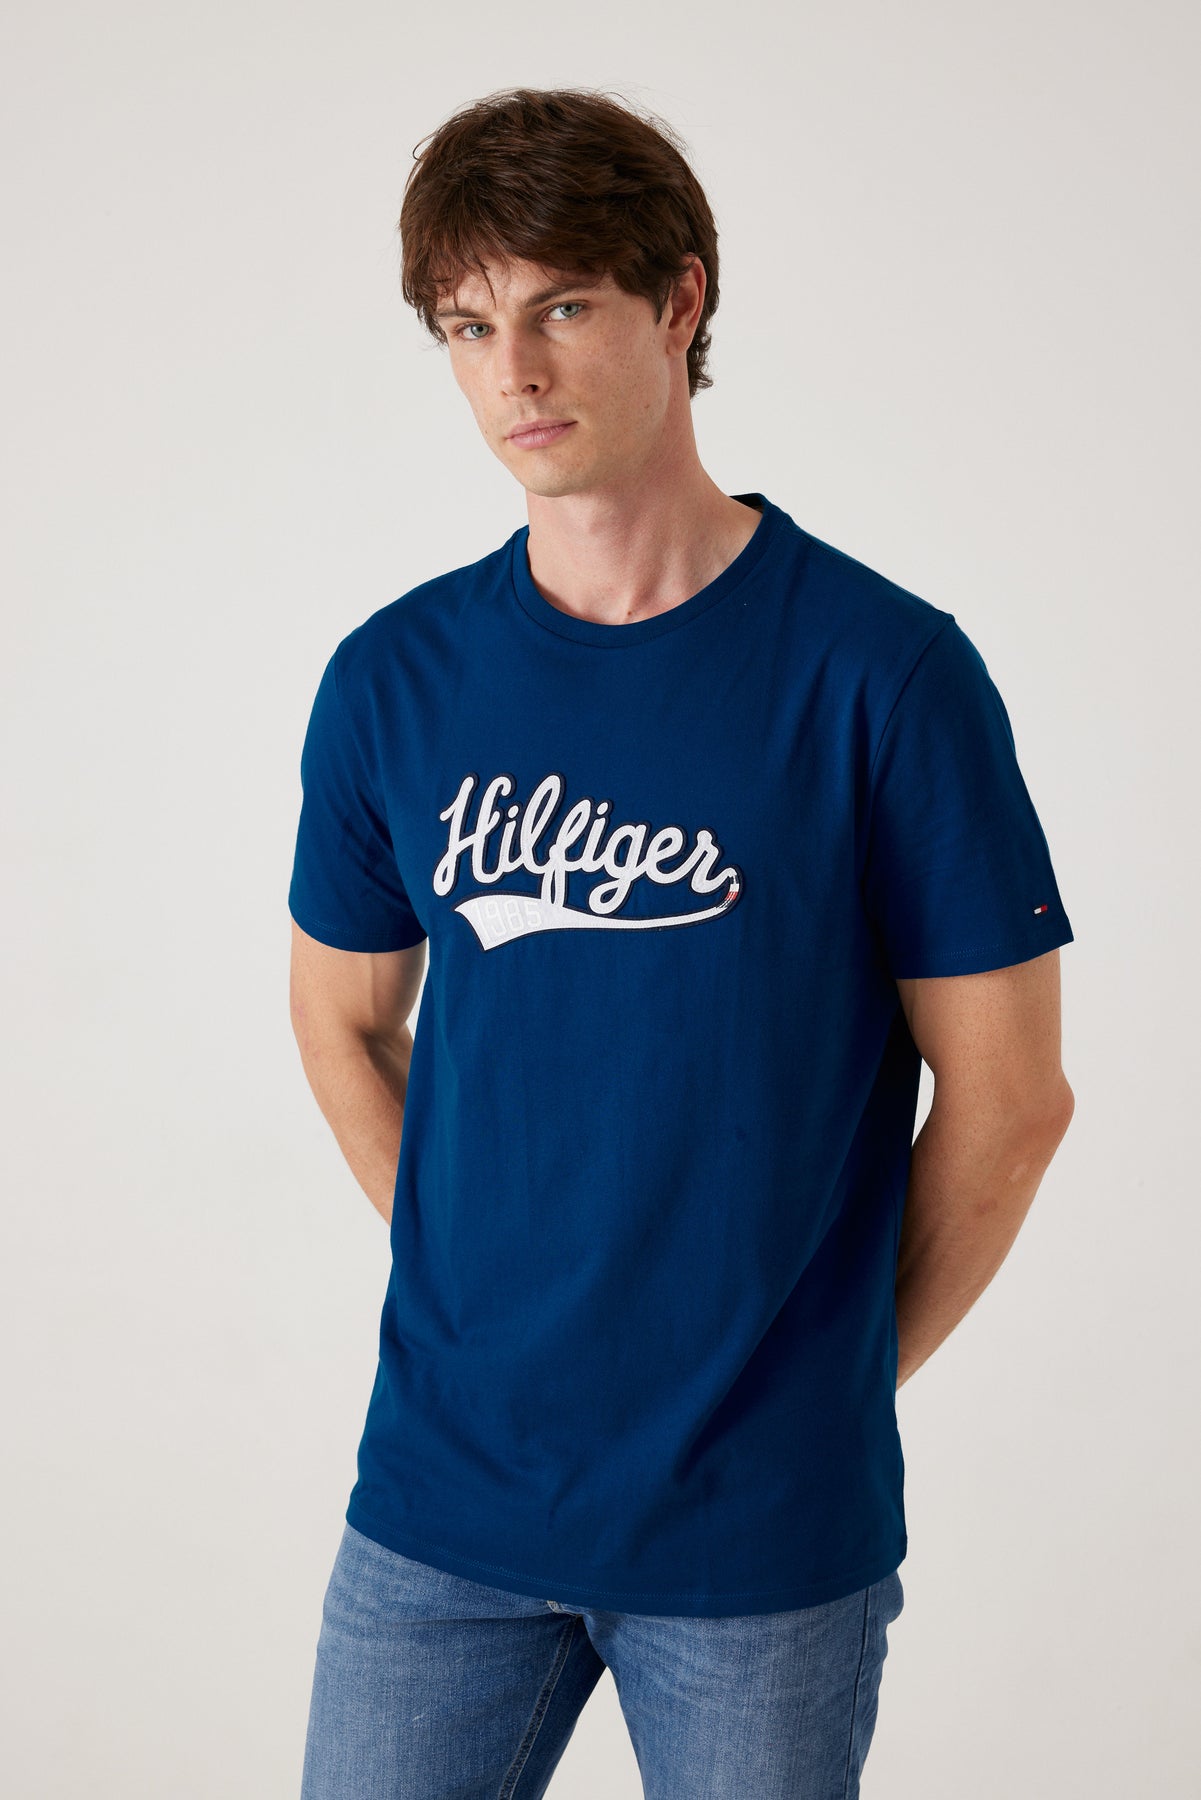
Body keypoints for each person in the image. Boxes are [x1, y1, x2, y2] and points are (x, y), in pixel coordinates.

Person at [287, 85, 1076, 1800]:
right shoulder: (393, 681)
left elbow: (1012, 1102)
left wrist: (819, 1384)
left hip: (757, 1546)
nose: (515, 372)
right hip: (439, 1513)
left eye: (562, 305)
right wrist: (476, 1290)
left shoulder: (882, 677)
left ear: (679, 301)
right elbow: (342, 1018)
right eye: (469, 326)